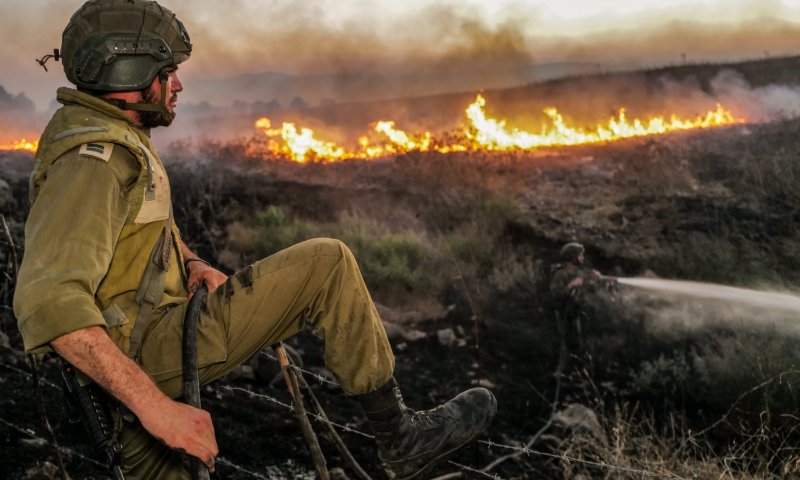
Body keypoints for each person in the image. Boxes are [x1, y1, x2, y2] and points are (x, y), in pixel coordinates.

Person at [13, 1, 496, 479]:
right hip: (140, 352)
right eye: (168, 71)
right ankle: (400, 439)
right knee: (327, 263)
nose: (178, 84)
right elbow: (50, 300)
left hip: (144, 339)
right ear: (131, 73)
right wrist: (156, 408)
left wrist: (193, 262)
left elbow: (139, 229)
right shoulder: (92, 162)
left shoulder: (117, 134)